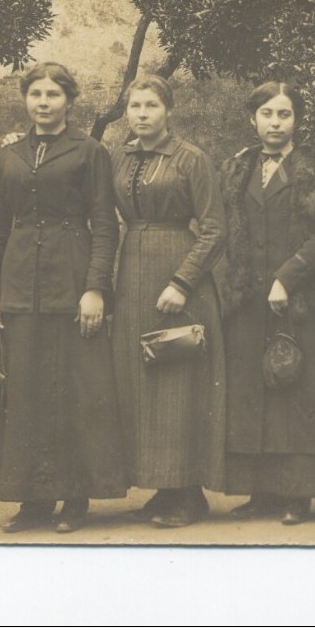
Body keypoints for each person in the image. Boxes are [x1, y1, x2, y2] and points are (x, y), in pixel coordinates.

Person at [0, 62, 127, 533]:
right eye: (36, 94)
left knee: (76, 393)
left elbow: (105, 226)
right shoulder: (9, 156)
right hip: (20, 285)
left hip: (72, 283)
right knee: (23, 394)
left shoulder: (90, 152)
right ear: (26, 99)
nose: (43, 102)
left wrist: (94, 287)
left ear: (69, 100)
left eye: (53, 94)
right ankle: (31, 501)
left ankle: (76, 497)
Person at [219, 81, 315, 526]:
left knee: (299, 389)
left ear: (298, 120)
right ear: (253, 119)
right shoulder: (235, 168)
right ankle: (262, 491)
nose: (275, 123)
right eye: (267, 114)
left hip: (300, 298)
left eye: (284, 114)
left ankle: (298, 493)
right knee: (253, 390)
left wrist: (286, 278)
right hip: (248, 299)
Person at [109, 75, 227, 527]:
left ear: (168, 111)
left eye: (151, 106)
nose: (141, 114)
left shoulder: (190, 158)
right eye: (135, 106)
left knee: (178, 382)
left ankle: (188, 493)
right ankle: (162, 486)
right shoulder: (120, 157)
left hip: (177, 276)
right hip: (133, 271)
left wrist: (182, 282)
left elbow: (215, 228)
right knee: (143, 384)